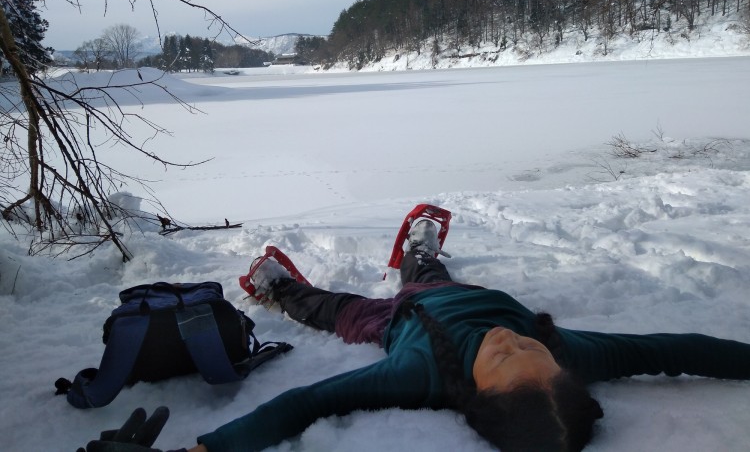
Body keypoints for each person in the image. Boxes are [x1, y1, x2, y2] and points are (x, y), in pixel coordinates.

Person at [80, 208, 750, 452]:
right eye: (529, 347)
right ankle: (420, 245)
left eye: (503, 357)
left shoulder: (418, 375)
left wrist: (209, 449)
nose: (510, 340)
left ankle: (280, 286)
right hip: (449, 288)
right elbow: (678, 348)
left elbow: (304, 403)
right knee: (427, 268)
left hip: (402, 322)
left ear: (476, 392)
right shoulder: (569, 356)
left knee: (338, 309)